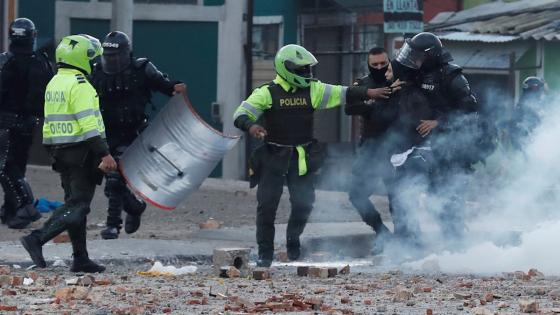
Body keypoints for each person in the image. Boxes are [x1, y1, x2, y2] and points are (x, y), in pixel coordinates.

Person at [233, 44, 395, 267]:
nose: (306, 73)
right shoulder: (267, 92)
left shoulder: (314, 90)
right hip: (274, 157)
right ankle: (265, 255)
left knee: (304, 204)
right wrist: (251, 127)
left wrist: (368, 92)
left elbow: (342, 92)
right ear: (286, 68)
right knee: (267, 206)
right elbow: (241, 113)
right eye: (301, 69)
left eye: (307, 68)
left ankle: (293, 241)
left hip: (303, 157)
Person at [20, 35, 117, 273]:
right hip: (82, 153)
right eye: (92, 59)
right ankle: (37, 238)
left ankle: (80, 258)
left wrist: (53, 150)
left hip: (61, 153)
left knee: (73, 206)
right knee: (79, 206)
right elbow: (89, 126)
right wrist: (105, 154)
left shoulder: (56, 82)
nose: (95, 64)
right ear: (81, 58)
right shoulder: (80, 85)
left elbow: (48, 123)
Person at [91, 31, 186, 240]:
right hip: (107, 134)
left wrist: (175, 87)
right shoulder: (96, 73)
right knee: (112, 183)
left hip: (135, 134)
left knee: (116, 177)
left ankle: (112, 225)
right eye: (108, 56)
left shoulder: (141, 69)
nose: (112, 60)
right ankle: (134, 208)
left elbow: (167, 87)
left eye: (116, 55)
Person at [397, 32, 479, 239]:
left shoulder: (453, 78)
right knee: (413, 195)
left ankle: (456, 245)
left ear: (431, 56)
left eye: (418, 55)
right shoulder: (415, 73)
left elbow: (470, 113)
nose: (413, 59)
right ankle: (414, 244)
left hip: (450, 149)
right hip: (422, 149)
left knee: (448, 198)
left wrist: (438, 123)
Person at [0, 18, 54, 228]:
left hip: (6, 122)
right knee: (17, 166)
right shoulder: (42, 62)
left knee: (5, 167)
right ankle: (11, 209)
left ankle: (25, 206)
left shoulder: (6, 61)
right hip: (30, 123)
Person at [344, 47, 399, 253]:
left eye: (382, 64)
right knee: (356, 194)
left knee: (398, 196)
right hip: (371, 148)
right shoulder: (364, 84)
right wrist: (373, 99)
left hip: (396, 148)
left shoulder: (398, 80)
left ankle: (404, 238)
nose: (379, 68)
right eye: (374, 65)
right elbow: (349, 107)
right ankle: (382, 232)